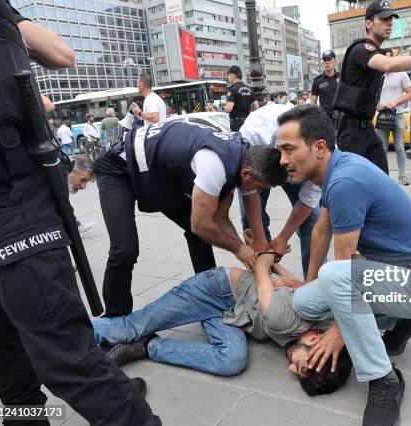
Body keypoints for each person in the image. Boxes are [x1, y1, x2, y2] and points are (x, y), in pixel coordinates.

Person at [0, 2, 159, 424]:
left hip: (10, 196)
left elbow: (62, 56)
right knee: (10, 359)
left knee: (64, 358)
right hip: (7, 197)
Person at [275, 105, 411, 426]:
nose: (282, 160)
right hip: (395, 275)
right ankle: (398, 323)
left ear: (319, 147)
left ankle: (383, 379)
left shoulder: (345, 182)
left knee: (335, 275)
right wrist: (309, 283)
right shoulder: (336, 170)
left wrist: (340, 332)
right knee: (304, 301)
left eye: (288, 149)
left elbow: (345, 268)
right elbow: (321, 230)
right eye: (280, 149)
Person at [90, 251, 356, 397]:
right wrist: (267, 256)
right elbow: (262, 269)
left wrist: (288, 276)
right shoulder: (283, 320)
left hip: (232, 313)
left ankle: (146, 347)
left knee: (232, 361)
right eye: (298, 365)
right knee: (128, 327)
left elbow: (282, 284)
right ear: (314, 340)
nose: (289, 367)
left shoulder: (324, 321)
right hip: (213, 290)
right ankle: (61, 330)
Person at [93, 120, 286, 317]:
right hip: (118, 167)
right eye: (260, 187)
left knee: (201, 237)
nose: (258, 192)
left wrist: (245, 250)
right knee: (125, 249)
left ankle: (210, 299)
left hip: (159, 175)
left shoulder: (242, 158)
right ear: (246, 174)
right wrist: (239, 248)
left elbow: (219, 219)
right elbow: (201, 225)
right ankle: (115, 319)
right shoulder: (215, 165)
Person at [332, 0, 411, 174]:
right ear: (368, 23)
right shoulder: (361, 49)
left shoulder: (374, 51)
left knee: (381, 181)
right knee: (348, 182)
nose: (389, 23)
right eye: (384, 19)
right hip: (350, 129)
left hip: (367, 128)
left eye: (391, 19)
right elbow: (388, 65)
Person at [239, 101, 322, 276]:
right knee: (251, 223)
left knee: (313, 221)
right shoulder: (253, 135)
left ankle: (314, 281)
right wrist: (260, 240)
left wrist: (283, 238)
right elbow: (249, 191)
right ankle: (263, 278)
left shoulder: (319, 154)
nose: (285, 161)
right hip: (260, 155)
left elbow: (308, 201)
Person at [375, 48, 411, 185]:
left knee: (400, 147)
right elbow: (373, 96)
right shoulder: (377, 77)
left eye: (389, 59)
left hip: (397, 115)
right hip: (382, 115)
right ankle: (383, 178)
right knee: (382, 148)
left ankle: (402, 175)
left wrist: (395, 102)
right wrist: (377, 104)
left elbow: (410, 94)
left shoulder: (401, 74)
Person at [224, 65, 259, 131]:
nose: (228, 77)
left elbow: (228, 109)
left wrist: (224, 108)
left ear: (233, 75)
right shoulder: (249, 89)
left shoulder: (232, 89)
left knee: (238, 140)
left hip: (237, 123)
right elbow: (256, 107)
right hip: (248, 121)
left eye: (229, 75)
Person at [310, 50, 340, 120]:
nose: (326, 62)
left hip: (341, 117)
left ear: (335, 61)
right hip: (325, 118)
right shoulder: (317, 81)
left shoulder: (342, 78)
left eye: (329, 59)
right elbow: (313, 103)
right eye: (324, 60)